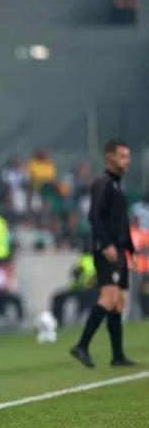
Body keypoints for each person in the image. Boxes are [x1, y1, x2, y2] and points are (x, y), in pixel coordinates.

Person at [71, 139, 136, 368]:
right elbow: (94, 217)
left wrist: (130, 249)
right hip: (107, 250)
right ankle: (82, 345)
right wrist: (105, 244)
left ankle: (117, 356)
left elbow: (122, 222)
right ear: (109, 158)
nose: (127, 161)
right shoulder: (102, 184)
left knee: (118, 302)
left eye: (128, 156)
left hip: (119, 250)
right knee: (108, 297)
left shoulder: (118, 186)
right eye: (122, 156)